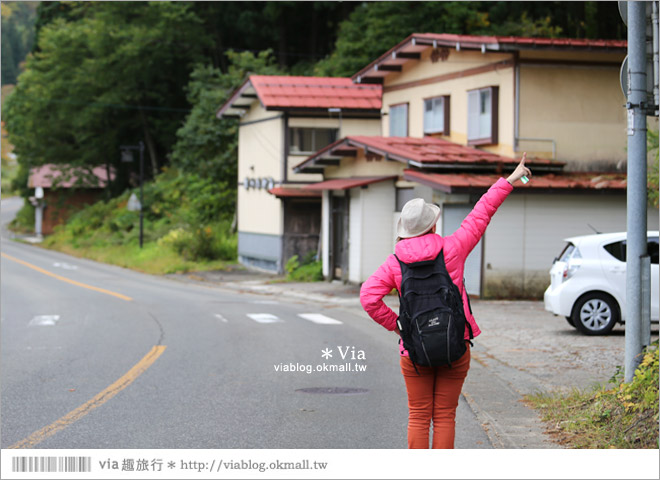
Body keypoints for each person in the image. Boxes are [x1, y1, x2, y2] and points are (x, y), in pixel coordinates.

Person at [359, 153, 532, 449]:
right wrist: (510, 180)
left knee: (418, 416)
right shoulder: (453, 247)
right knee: (444, 416)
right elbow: (481, 213)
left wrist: (398, 327)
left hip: (414, 350)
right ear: (433, 226)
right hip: (455, 343)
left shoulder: (393, 263)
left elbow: (368, 297)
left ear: (404, 232)